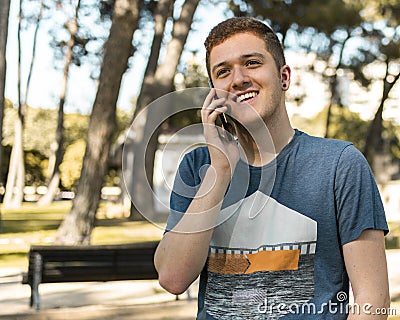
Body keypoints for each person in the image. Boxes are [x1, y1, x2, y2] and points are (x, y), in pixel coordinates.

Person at [154, 17, 390, 319]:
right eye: (223, 71)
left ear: (284, 77)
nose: (237, 79)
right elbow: (173, 278)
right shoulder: (199, 166)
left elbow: (373, 299)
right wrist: (220, 171)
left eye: (251, 63)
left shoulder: (340, 164)